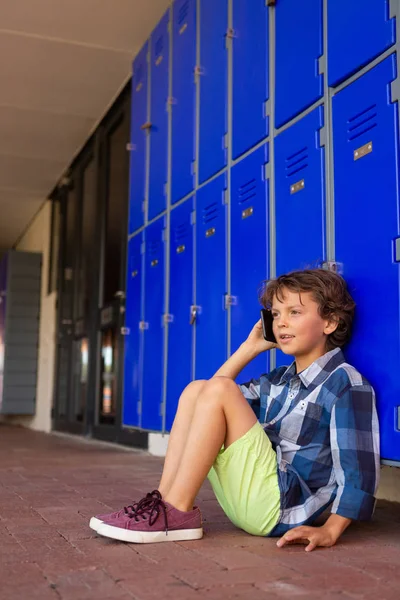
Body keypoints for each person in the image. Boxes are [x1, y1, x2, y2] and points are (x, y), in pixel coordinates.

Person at [89, 268, 380, 551]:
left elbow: (358, 468)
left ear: (329, 323)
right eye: (275, 314)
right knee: (195, 390)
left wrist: (331, 530)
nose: (281, 323)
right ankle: (164, 505)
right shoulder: (278, 379)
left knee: (217, 389)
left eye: (294, 313)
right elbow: (207, 400)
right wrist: (248, 348)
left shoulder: (344, 382)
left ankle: (174, 513)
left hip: (284, 506)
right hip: (251, 501)